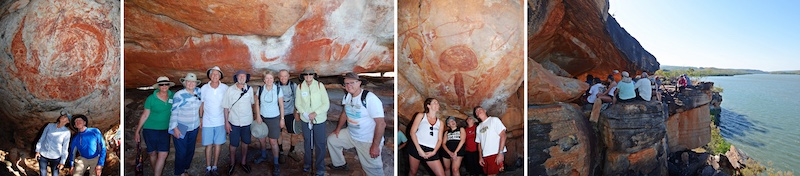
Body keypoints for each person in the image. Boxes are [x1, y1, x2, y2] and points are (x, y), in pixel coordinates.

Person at [327, 72, 386, 176]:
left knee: (373, 169)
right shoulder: (347, 96)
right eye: (346, 84)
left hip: (367, 139)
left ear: (359, 83)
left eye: (352, 83)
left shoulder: (369, 98)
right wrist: (338, 129)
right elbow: (345, 113)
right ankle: (340, 164)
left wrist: (375, 146)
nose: (349, 86)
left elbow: (381, 124)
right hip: (351, 134)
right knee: (332, 140)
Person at [134, 76, 174, 176]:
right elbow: (145, 115)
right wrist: (137, 131)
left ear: (169, 85)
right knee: (152, 153)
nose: (164, 86)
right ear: (158, 86)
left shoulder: (173, 96)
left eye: (166, 84)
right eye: (161, 84)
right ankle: (157, 172)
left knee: (163, 154)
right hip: (150, 129)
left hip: (165, 130)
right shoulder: (151, 99)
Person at [295, 68, 330, 176]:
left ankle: (320, 167)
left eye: (311, 74)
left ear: (314, 75)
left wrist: (315, 113)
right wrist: (304, 114)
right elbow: (298, 103)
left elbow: (326, 104)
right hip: (306, 120)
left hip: (319, 119)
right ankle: (307, 164)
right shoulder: (300, 87)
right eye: (306, 74)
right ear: (303, 76)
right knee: (307, 142)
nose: (308, 76)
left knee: (320, 143)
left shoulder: (320, 85)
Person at [222, 70, 256, 174]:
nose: (241, 78)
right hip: (234, 122)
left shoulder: (249, 89)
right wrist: (226, 122)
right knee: (233, 144)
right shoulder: (230, 90)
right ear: (236, 78)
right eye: (239, 76)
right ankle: (232, 163)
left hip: (246, 121)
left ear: (246, 78)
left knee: (245, 142)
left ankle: (243, 162)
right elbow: (226, 107)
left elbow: (252, 104)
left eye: (243, 76)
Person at [169, 73, 203, 176]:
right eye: (188, 81)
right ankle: (179, 173)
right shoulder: (178, 95)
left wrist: (201, 117)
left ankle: (185, 168)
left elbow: (202, 104)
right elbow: (174, 111)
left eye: (193, 82)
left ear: (196, 83)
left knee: (190, 150)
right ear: (185, 83)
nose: (191, 84)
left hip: (194, 126)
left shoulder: (198, 91)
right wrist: (174, 128)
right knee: (181, 152)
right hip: (181, 126)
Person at [254, 70, 285, 175]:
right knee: (262, 139)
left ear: (273, 79)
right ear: (264, 79)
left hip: (274, 118)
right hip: (262, 117)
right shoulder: (260, 89)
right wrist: (258, 116)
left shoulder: (278, 90)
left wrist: (282, 118)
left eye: (271, 78)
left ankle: (276, 163)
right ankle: (263, 155)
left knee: (273, 142)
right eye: (267, 78)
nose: (269, 80)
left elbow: (281, 105)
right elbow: (257, 103)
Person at [199, 66, 228, 175]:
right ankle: (208, 167)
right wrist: (201, 118)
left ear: (220, 76)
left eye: (217, 74)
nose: (215, 76)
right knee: (208, 145)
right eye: (213, 74)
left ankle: (215, 166)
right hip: (207, 121)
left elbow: (227, 105)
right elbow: (202, 104)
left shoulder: (225, 88)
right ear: (210, 76)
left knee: (218, 144)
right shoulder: (204, 88)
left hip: (220, 121)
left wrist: (227, 120)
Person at [408, 98, 446, 176]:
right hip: (417, 146)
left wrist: (434, 152)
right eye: (435, 103)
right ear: (428, 105)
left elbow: (439, 139)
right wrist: (419, 150)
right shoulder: (421, 116)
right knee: (413, 172)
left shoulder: (440, 123)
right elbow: (412, 132)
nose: (437, 104)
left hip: (431, 150)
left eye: (438, 103)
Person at [473, 106, 507, 176]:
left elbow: (503, 135)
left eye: (480, 109)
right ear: (476, 116)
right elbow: (479, 143)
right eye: (476, 111)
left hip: (495, 153)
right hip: (485, 155)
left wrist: (500, 153)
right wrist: (480, 157)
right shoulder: (478, 127)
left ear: (485, 110)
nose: (478, 111)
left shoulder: (494, 120)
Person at [277, 69, 299, 162]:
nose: (283, 78)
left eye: (285, 76)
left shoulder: (293, 86)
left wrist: (296, 112)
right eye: (281, 76)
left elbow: (297, 99)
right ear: (279, 76)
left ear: (288, 76)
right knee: (278, 133)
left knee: (294, 133)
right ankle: (281, 151)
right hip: (278, 113)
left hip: (290, 112)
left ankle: (292, 151)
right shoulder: (275, 86)